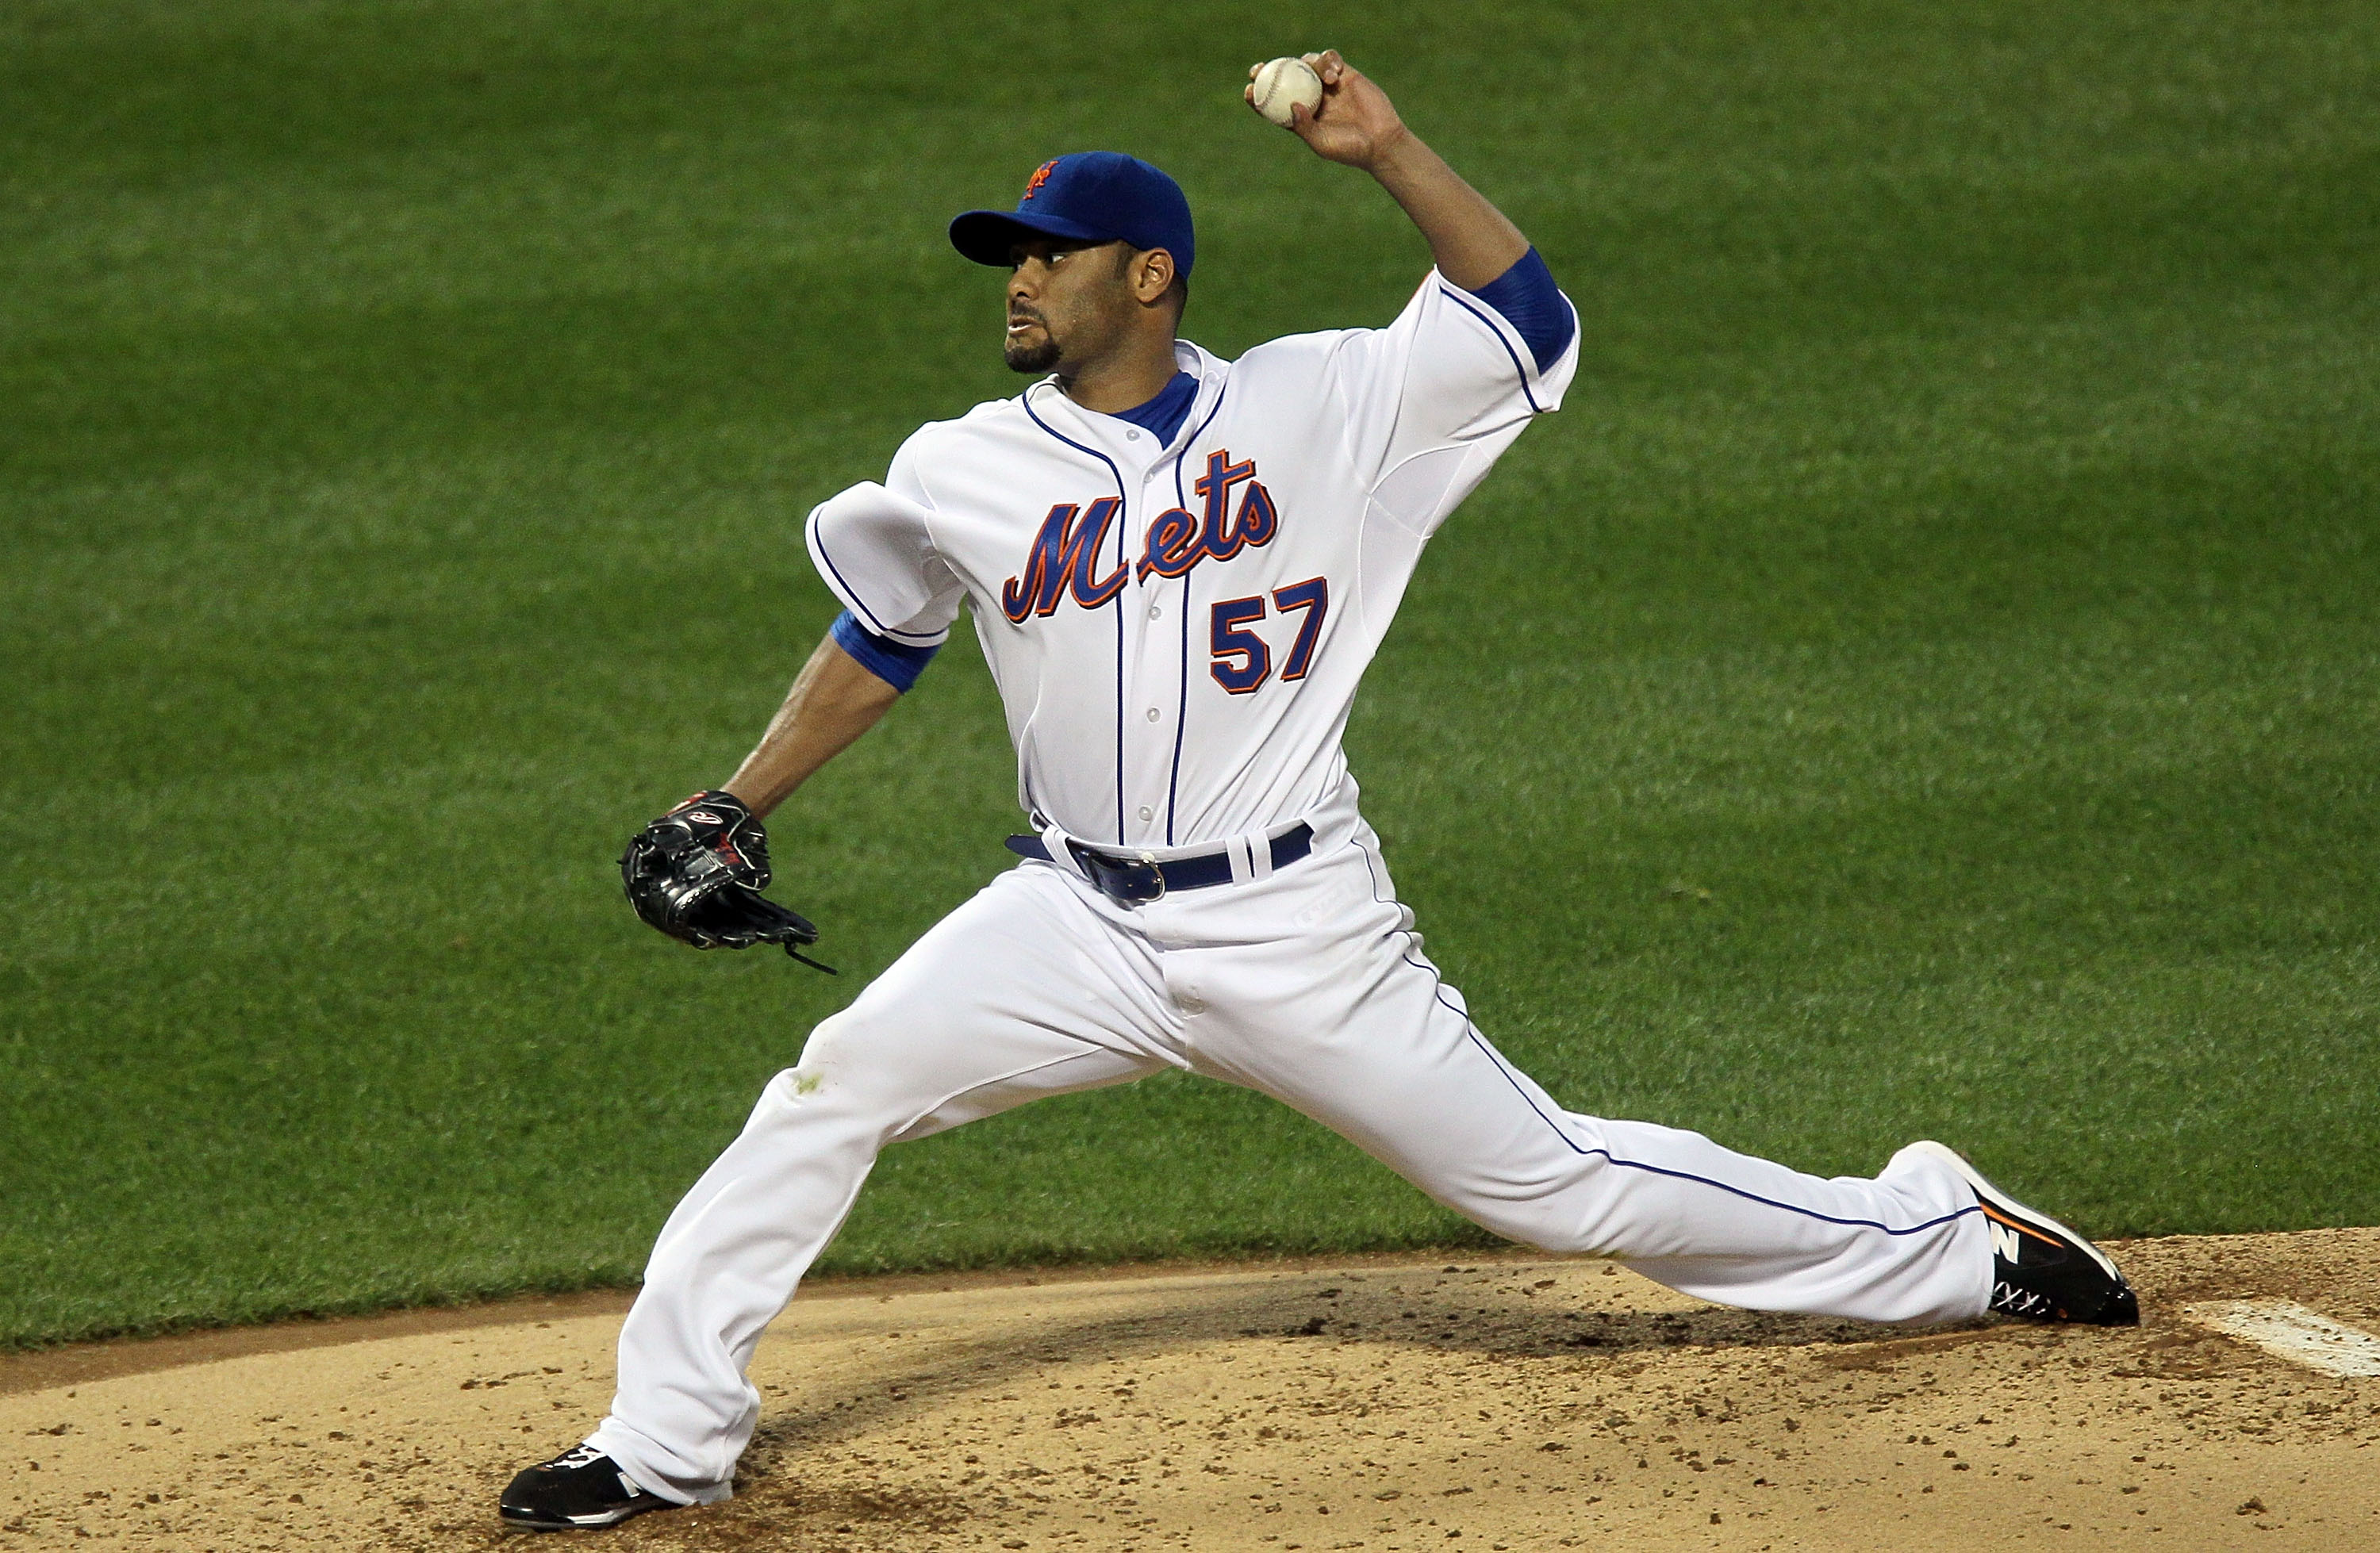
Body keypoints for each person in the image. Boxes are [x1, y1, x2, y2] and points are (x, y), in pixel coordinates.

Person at [498, 52, 2135, 1534]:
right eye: (1011, 252)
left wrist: (1393, 150)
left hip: (1295, 923)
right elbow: (885, 628)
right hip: (1073, 916)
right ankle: (661, 1435)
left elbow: (1528, 321)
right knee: (832, 1085)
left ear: (1148, 275)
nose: (1018, 277)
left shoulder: (1326, 405)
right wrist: (739, 794)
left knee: (1554, 1187)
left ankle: (1946, 1237)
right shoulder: (960, 465)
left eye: (1047, 252)